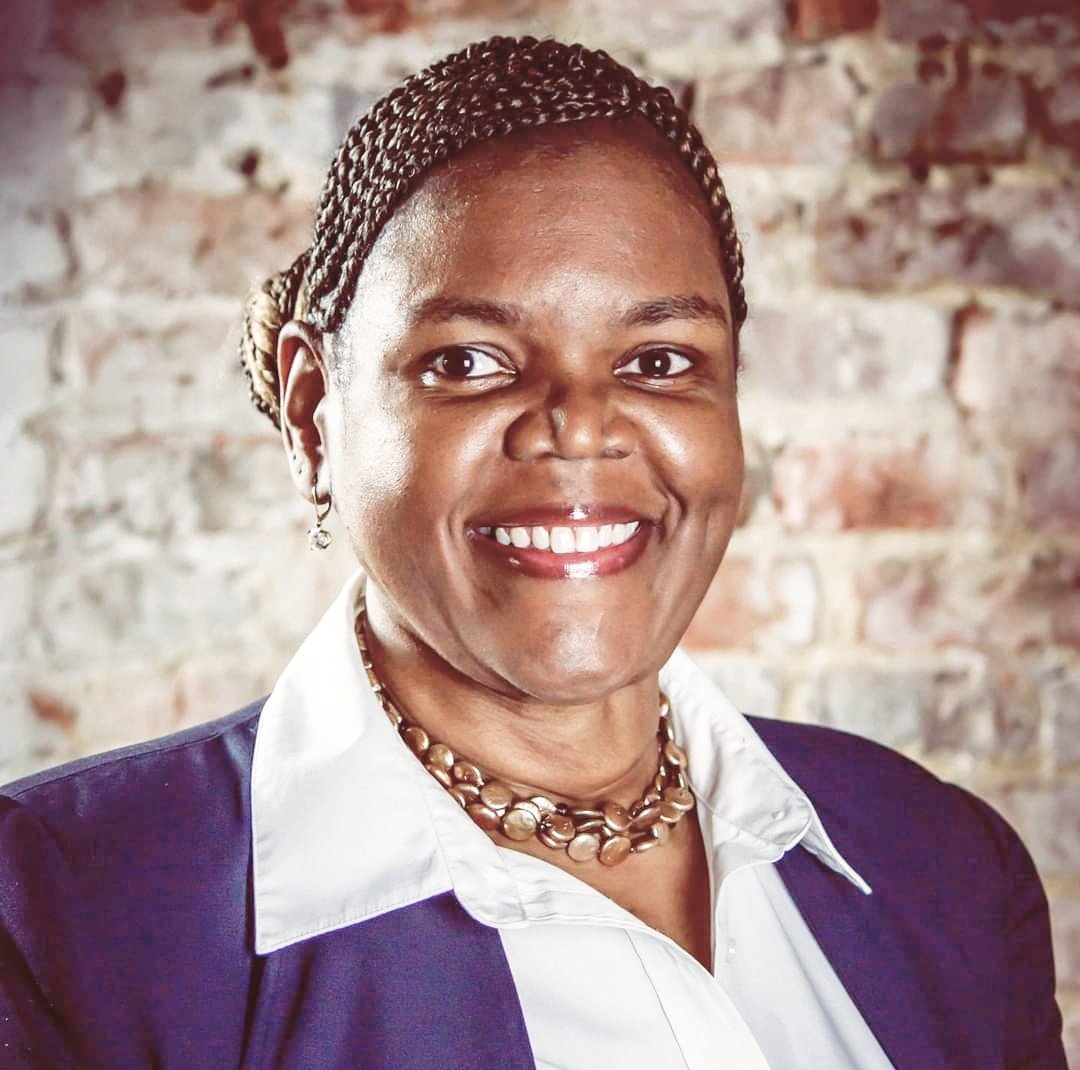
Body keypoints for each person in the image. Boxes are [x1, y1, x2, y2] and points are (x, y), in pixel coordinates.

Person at [0, 35, 1065, 1070]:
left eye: (659, 360)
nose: (578, 425)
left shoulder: (946, 866)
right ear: (315, 415)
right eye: (469, 360)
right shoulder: (62, 917)